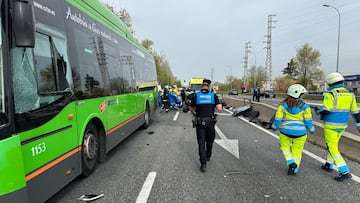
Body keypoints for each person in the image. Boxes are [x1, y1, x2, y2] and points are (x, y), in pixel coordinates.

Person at [315, 72, 360, 181]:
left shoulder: (331, 94)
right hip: (342, 126)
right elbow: (356, 113)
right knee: (334, 145)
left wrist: (317, 111)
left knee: (332, 147)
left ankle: (344, 171)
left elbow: (326, 110)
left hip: (331, 126)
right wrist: (359, 126)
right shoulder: (350, 95)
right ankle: (328, 165)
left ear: (330, 83)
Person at [272, 84, 315, 175]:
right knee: (297, 151)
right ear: (299, 95)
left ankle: (290, 162)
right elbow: (308, 120)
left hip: (285, 131)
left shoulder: (283, 105)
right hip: (301, 133)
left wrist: (275, 126)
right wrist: (311, 129)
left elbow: (278, 118)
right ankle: (294, 170)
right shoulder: (305, 106)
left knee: (285, 148)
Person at [190, 79, 222, 172]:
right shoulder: (213, 96)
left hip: (200, 122)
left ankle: (203, 164)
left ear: (202, 86)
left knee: (201, 142)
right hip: (210, 122)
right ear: (209, 87)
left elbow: (191, 108)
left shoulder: (196, 96)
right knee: (210, 140)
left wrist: (194, 113)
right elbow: (219, 108)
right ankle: (208, 155)